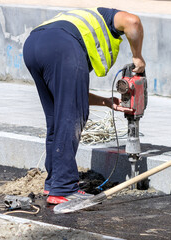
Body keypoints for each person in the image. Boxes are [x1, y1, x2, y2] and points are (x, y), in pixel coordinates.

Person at [23, 8, 145, 204]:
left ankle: (54, 182)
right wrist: (138, 56)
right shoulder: (108, 17)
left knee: (56, 117)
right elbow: (133, 21)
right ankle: (63, 188)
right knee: (71, 118)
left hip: (33, 46)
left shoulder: (78, 21)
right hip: (61, 46)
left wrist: (105, 101)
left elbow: (71, 94)